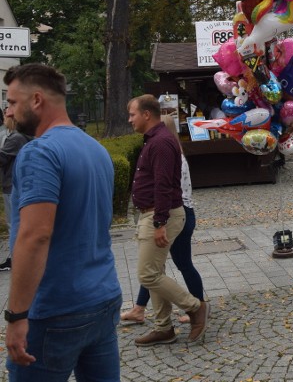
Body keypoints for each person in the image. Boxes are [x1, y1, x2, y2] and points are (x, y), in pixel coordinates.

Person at [4, 64, 122, 379]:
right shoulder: (96, 150)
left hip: (56, 308)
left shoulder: (39, 153)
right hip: (104, 297)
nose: (9, 111)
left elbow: (35, 236)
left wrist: (16, 316)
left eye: (13, 102)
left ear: (37, 100)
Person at [128, 94, 209, 346]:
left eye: (132, 114)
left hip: (160, 214)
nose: (130, 119)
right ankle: (163, 328)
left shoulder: (161, 142)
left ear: (146, 115)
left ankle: (195, 307)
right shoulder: (155, 139)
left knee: (148, 274)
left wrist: (159, 222)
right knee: (155, 271)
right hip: (153, 213)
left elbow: (163, 186)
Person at [0, 114, 32, 271]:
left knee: (13, 223)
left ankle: (16, 258)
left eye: (8, 115)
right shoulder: (21, 136)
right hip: (16, 183)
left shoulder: (15, 138)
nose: (5, 117)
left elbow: (2, 159)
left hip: (10, 185)